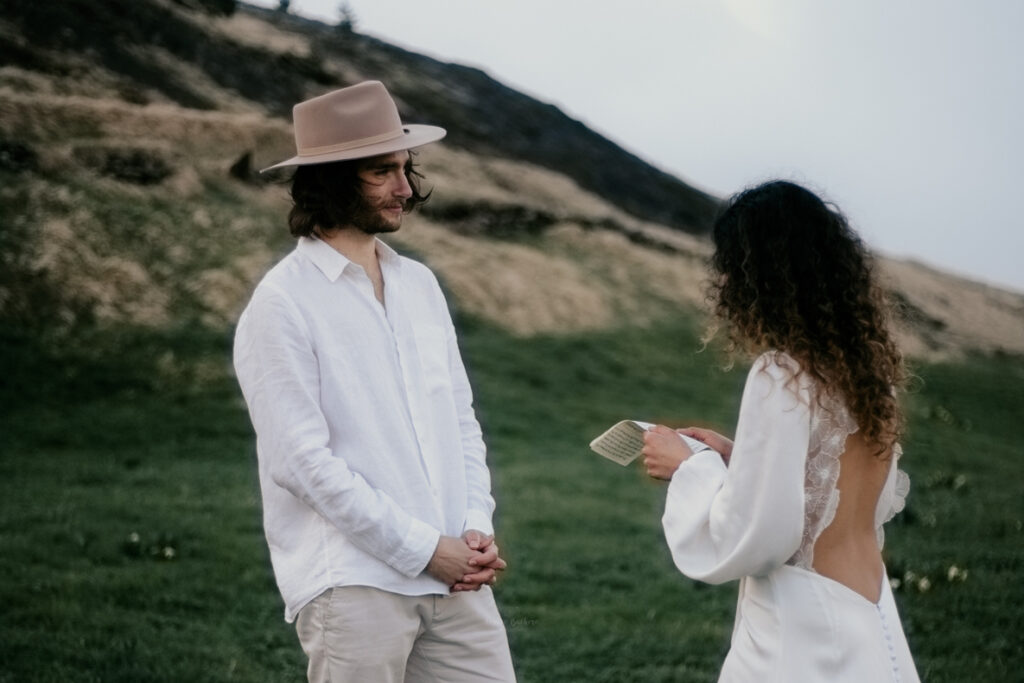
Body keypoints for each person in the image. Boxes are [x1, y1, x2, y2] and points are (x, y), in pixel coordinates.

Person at [233, 80, 516, 683]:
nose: (404, 188)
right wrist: (421, 550)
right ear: (332, 179)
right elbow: (301, 462)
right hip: (354, 583)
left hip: (456, 576)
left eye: (405, 168)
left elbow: (460, 421)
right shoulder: (281, 304)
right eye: (381, 171)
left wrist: (475, 526)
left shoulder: (420, 285)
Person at [641, 180, 920, 682]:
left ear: (760, 275)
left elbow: (763, 534)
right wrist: (739, 457)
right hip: (872, 614)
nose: (724, 282)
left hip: (803, 628)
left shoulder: (781, 374)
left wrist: (691, 467)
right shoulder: (867, 372)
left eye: (730, 266)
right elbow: (839, 495)